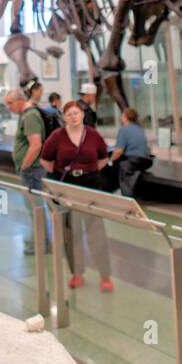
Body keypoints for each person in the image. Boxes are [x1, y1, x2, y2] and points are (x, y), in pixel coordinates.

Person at [41, 100, 114, 292]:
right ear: (64, 117)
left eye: (76, 113)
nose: (73, 117)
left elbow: (103, 157)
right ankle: (77, 273)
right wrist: (62, 173)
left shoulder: (93, 135)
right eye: (69, 114)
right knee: (71, 233)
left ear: (82, 114)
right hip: (67, 189)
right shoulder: (57, 136)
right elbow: (45, 159)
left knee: (96, 232)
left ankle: (105, 275)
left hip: (90, 187)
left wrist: (88, 172)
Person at [5, 88, 49, 255]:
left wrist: (24, 166)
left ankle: (41, 244)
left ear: (19, 100)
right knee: (34, 207)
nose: (9, 107)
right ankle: (40, 240)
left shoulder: (30, 116)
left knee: (35, 207)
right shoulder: (24, 115)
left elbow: (36, 144)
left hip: (32, 170)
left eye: (10, 103)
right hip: (30, 169)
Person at [109, 107, 153, 197]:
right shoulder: (140, 129)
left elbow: (118, 151)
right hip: (146, 161)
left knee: (122, 166)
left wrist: (110, 160)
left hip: (134, 160)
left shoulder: (123, 129)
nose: (121, 118)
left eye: (122, 116)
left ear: (125, 117)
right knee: (127, 165)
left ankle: (126, 195)